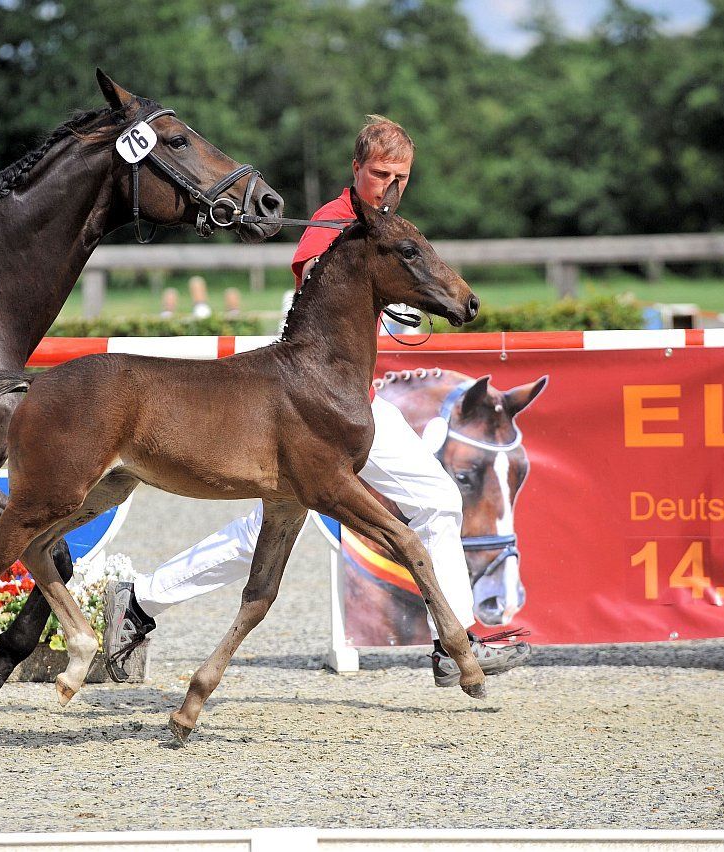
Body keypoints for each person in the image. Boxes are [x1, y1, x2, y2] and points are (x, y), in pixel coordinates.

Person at [104, 116, 532, 684]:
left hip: (354, 402)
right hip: (314, 402)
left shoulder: (385, 227)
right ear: (356, 169)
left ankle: (452, 646)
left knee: (414, 504)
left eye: (399, 175)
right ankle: (140, 602)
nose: (388, 184)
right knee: (290, 522)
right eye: (379, 173)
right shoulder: (335, 223)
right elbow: (315, 294)